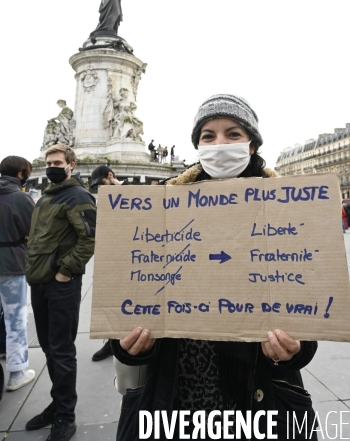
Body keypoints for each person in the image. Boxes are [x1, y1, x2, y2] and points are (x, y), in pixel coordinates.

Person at [111, 94, 318, 441]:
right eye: (208, 136)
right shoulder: (163, 209)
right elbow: (135, 295)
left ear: (251, 144)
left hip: (256, 400)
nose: (219, 143)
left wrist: (293, 350)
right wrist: (128, 346)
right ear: (198, 146)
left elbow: (308, 312)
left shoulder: (286, 210)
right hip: (176, 398)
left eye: (232, 133)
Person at [25, 144, 96, 441]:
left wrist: (65, 271)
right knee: (49, 348)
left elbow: (90, 237)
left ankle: (66, 416)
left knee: (62, 351)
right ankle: (58, 404)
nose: (52, 166)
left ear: (71, 165)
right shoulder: (45, 198)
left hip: (60, 286)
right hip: (39, 284)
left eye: (57, 162)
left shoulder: (78, 195)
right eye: (48, 161)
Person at [0, 156, 36, 391]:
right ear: (21, 173)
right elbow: (35, 231)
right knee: (15, 318)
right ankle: (16, 372)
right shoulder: (20, 198)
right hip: (12, 263)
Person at [90, 164, 131, 362]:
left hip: (134, 258)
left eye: (101, 182)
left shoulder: (131, 189)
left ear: (111, 175)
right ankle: (112, 342)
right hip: (112, 258)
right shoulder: (105, 199)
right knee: (112, 300)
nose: (100, 188)